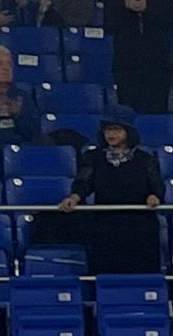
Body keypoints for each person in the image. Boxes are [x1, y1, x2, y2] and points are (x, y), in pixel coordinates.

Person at [58, 117, 162, 273]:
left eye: (116, 130)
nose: (111, 134)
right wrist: (74, 197)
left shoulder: (145, 159)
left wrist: (154, 196)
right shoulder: (93, 157)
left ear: (128, 132)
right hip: (106, 223)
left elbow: (156, 184)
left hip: (139, 223)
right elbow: (84, 181)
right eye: (107, 130)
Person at [105, 0, 173, 115]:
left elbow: (172, 22)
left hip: (157, 69)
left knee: (157, 115)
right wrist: (126, 10)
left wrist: (148, 9)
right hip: (126, 69)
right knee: (128, 115)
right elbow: (109, 26)